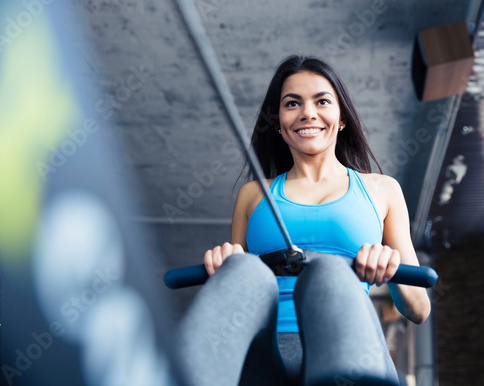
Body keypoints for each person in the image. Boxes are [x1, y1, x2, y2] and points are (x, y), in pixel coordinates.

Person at [177, 55, 431, 386]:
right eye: (292, 103)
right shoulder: (254, 195)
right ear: (281, 123)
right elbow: (238, 284)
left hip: (344, 342)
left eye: (322, 101)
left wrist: (390, 266)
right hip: (266, 352)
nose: (307, 113)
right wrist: (224, 267)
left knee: (328, 272)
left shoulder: (382, 190)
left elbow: (419, 309)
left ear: (341, 118)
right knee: (244, 271)